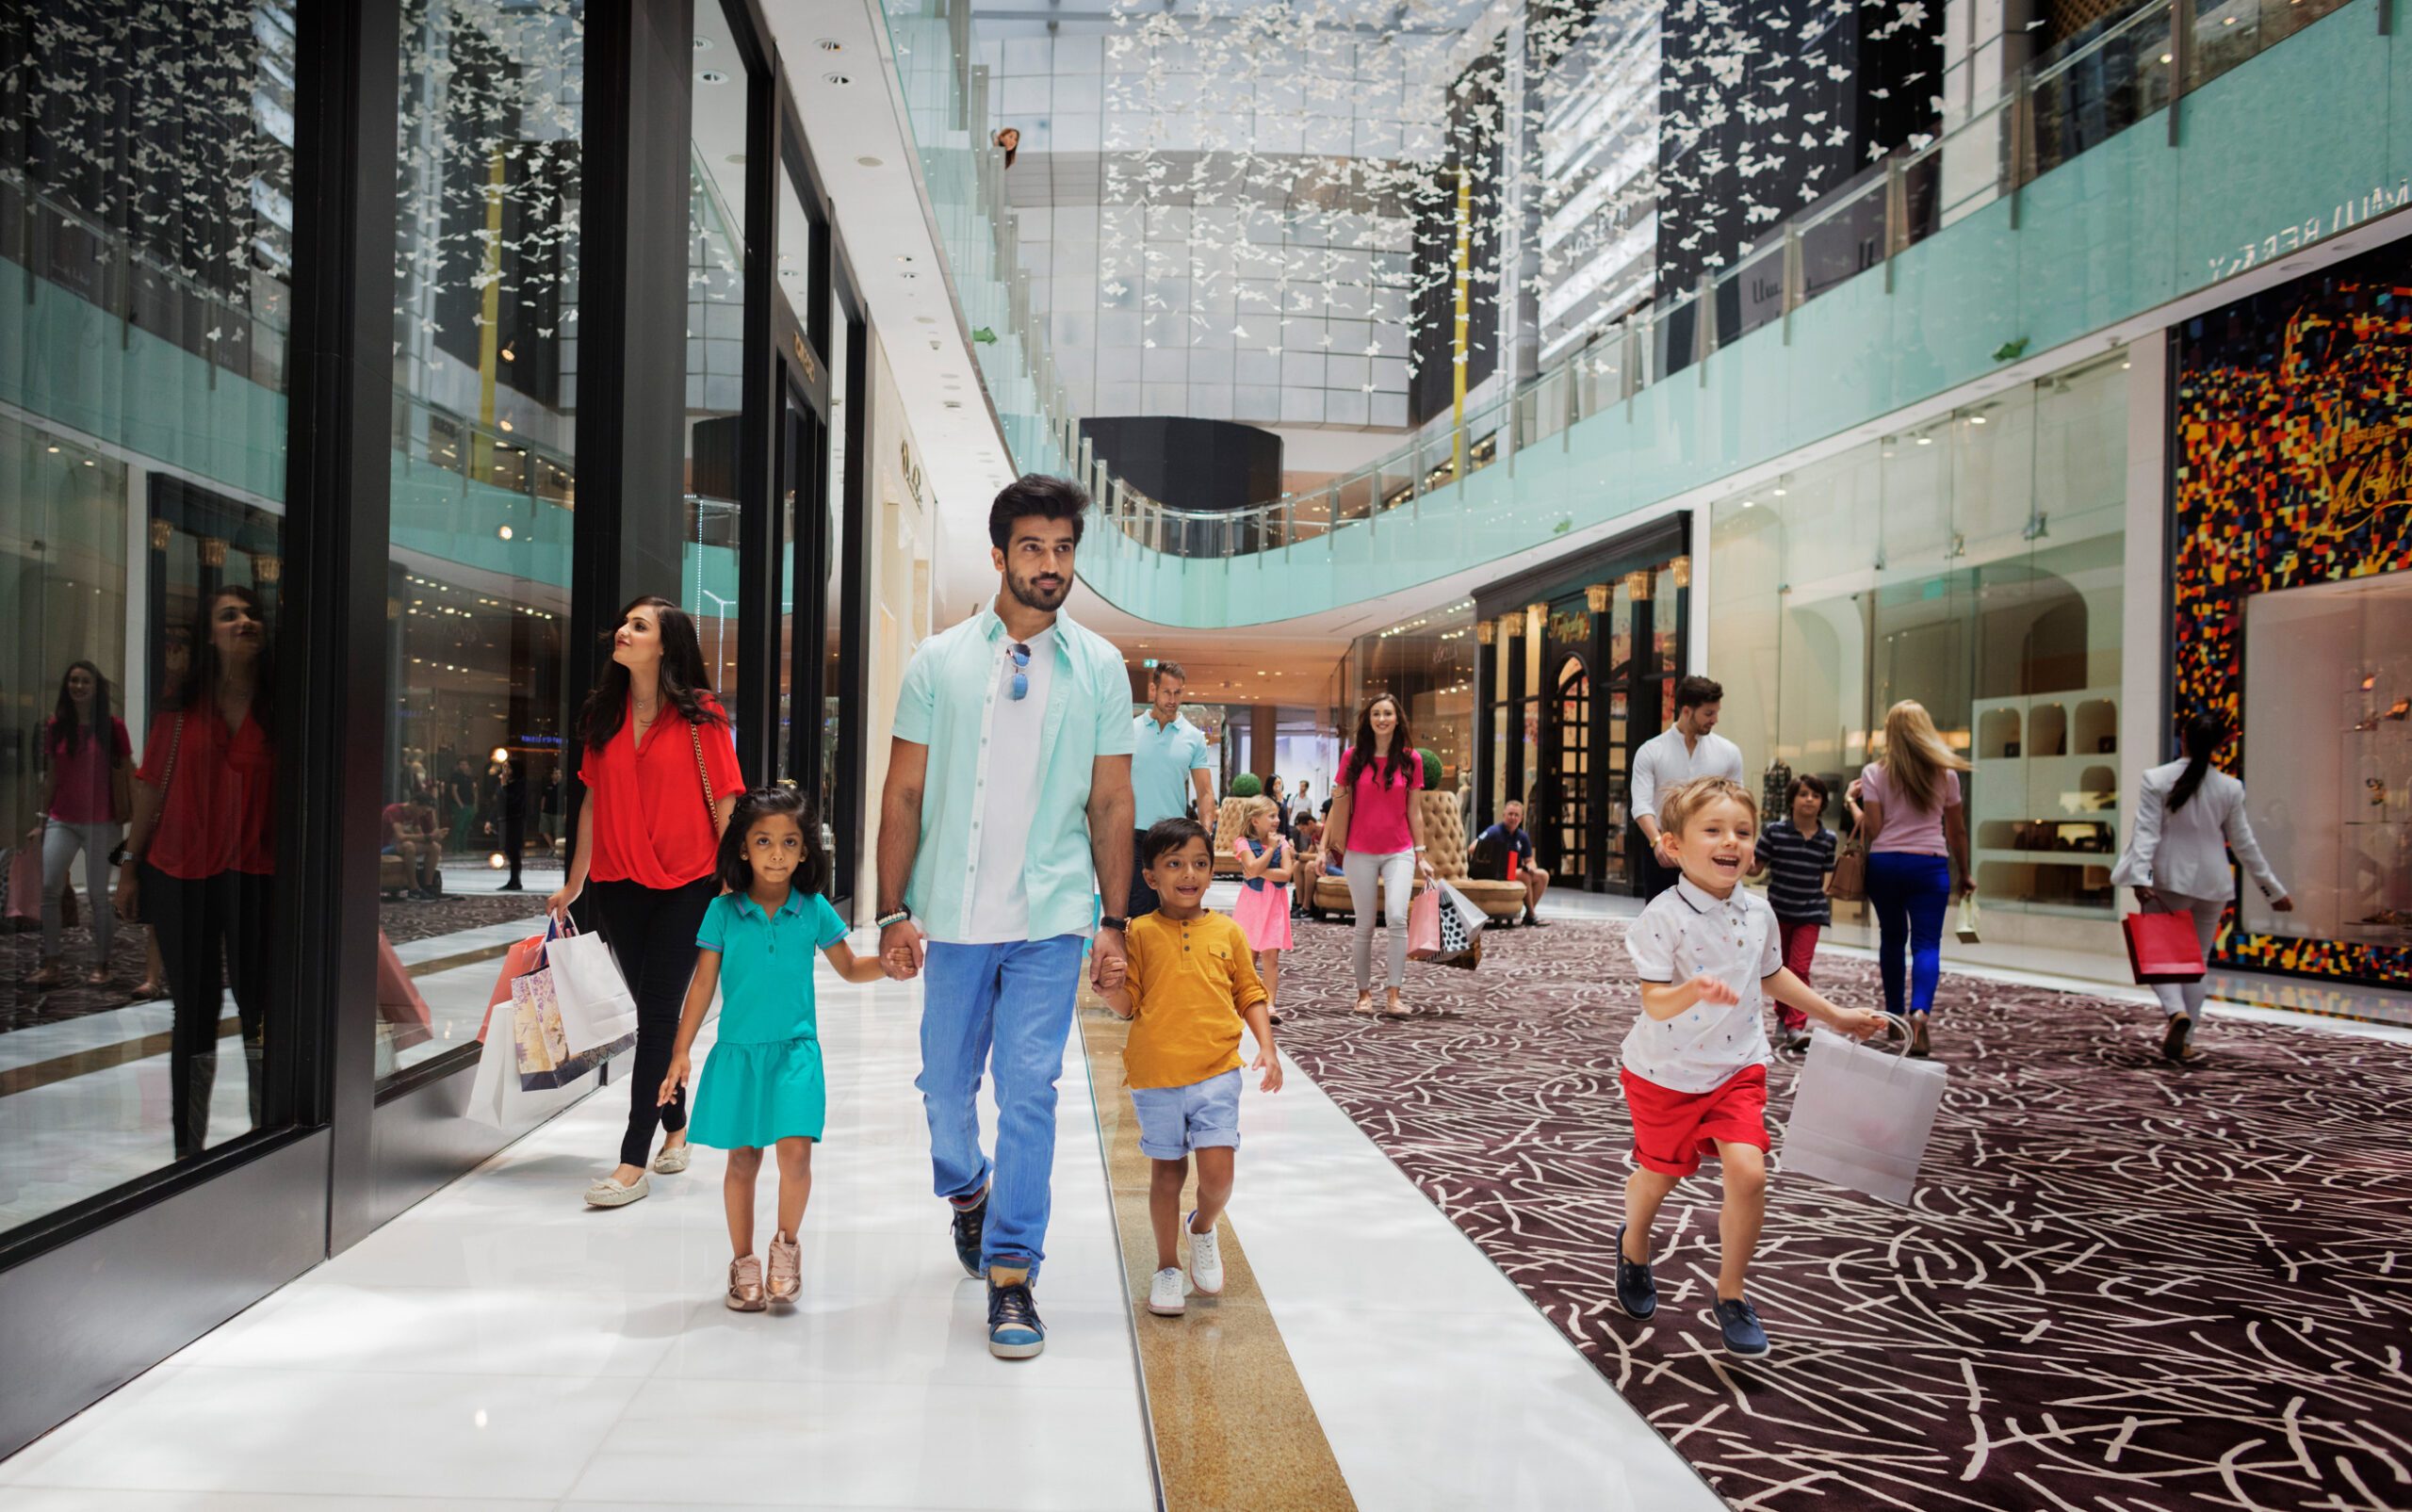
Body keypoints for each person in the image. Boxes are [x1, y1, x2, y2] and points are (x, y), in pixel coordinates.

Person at [875, 474, 1135, 1361]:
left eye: (1064, 549)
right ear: (999, 556)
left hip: (1052, 917)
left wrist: (1114, 920)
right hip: (953, 916)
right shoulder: (939, 661)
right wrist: (892, 908)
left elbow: (1111, 803)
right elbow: (903, 791)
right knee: (945, 1093)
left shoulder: (1101, 667)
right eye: (1033, 548)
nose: (1051, 565)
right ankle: (970, 1191)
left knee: (1031, 1091)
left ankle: (1014, 1273)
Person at [1615, 776, 1884, 1358]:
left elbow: (1772, 975)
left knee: (1750, 1172)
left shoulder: (1758, 912)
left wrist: (1835, 1016)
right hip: (1666, 1072)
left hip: (1737, 1066)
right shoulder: (1663, 916)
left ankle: (1731, 1294)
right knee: (1660, 1176)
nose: (1730, 842)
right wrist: (1694, 991)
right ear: (1674, 845)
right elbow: (1654, 1001)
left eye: (1742, 831)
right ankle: (1634, 1244)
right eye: (1712, 830)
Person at [547, 594, 744, 1209]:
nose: (623, 630)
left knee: (658, 1014)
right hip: (618, 883)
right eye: (623, 621)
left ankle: (633, 1159)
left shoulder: (701, 716)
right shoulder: (602, 716)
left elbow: (726, 803)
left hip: (688, 883)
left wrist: (733, 879)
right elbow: (591, 802)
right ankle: (676, 1122)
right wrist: (575, 882)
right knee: (650, 1014)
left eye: (640, 625)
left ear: (667, 644)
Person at [658, 786, 888, 1311]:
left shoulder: (812, 910)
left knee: (796, 1154)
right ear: (744, 848)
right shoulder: (721, 912)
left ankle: (786, 1247)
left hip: (795, 1052)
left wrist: (890, 965)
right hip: (739, 1052)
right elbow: (702, 986)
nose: (777, 853)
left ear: (806, 851)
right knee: (743, 1159)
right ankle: (743, 1263)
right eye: (764, 841)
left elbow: (850, 967)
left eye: (789, 842)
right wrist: (681, 1050)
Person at [114, 588, 279, 1159]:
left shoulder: (279, 709)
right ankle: (189, 1150)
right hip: (178, 871)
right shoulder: (182, 708)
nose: (243, 622)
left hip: (254, 874)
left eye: (251, 614)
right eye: (228, 615)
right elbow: (150, 789)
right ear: (210, 633)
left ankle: (267, 1135)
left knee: (259, 1004)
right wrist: (129, 868)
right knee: (196, 1008)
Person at [1097, 817, 1280, 1319]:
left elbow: (1249, 992)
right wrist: (1110, 990)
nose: (1188, 874)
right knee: (1167, 1173)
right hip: (1156, 1075)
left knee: (1218, 1174)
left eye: (1199, 863)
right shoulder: (1137, 934)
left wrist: (1267, 1046)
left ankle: (1201, 1227)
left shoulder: (1228, 931)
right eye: (1174, 864)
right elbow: (1129, 1003)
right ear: (1150, 876)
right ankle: (1166, 1266)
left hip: (1216, 1068)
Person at [2110, 712, 2291, 1065]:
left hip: (2167, 882)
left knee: (2160, 958)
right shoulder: (2229, 787)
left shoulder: (2156, 779)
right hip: (2213, 884)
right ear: (2220, 745)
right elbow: (2244, 844)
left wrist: (2140, 878)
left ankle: (2177, 1013)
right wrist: (2273, 889)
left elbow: (2147, 834)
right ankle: (2187, 1040)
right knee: (2197, 963)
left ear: (2184, 737)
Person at [1847, 699, 1971, 1060]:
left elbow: (1873, 829)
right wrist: (1965, 872)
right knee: (1927, 944)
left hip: (1886, 864)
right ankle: (1920, 1014)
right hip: (1929, 865)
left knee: (1892, 939)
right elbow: (1958, 831)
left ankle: (1895, 1016)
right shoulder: (1946, 774)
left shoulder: (1874, 772)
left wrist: (1850, 803)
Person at [1323, 691, 1434, 1019]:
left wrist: (1421, 853)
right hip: (1359, 851)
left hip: (1399, 851)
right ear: (1368, 721)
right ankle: (1363, 993)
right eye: (1376, 714)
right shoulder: (1353, 757)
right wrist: (1322, 847)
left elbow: (1415, 812)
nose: (1382, 719)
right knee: (1365, 924)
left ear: (1397, 718)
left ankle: (1394, 994)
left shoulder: (1411, 760)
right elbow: (1337, 806)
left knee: (1398, 918)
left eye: (1387, 713)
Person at [27, 661, 131, 987]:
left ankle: (102, 964)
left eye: (85, 681)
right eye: (73, 680)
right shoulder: (56, 727)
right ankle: (51, 962)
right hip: (63, 819)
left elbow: (128, 771)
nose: (78, 686)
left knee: (100, 895)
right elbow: (52, 777)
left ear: (95, 687)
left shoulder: (113, 728)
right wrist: (41, 820)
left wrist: (136, 814)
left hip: (103, 822)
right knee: (48, 889)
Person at [1630, 675, 1745, 899]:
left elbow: (1737, 803)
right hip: (1665, 846)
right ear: (1686, 711)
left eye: (1717, 712)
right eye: (1709, 713)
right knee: (1660, 917)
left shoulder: (1729, 752)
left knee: (1712, 916)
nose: (1715, 719)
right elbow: (1641, 804)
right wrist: (1657, 842)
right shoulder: (1651, 751)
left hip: (1711, 847)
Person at [1752, 773, 1838, 1052]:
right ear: (1792, 800)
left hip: (1810, 912)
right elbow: (1755, 867)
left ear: (1822, 802)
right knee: (1780, 968)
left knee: (1799, 968)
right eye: (1803, 794)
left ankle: (1796, 1025)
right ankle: (1783, 1015)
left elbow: (1826, 875)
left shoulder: (1828, 839)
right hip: (1777, 912)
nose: (1809, 799)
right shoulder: (1774, 832)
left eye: (1815, 795)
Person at [1130, 661, 1214, 916]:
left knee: (1171, 909)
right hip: (1131, 834)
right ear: (1153, 689)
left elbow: (1205, 792)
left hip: (1171, 836)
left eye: (1178, 693)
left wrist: (1205, 836)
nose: (1172, 699)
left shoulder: (1193, 737)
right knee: (1134, 908)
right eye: (1167, 692)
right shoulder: (1130, 730)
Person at [1230, 797, 1296, 1021]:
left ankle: (1269, 1004)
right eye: (1271, 816)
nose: (1277, 820)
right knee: (1248, 957)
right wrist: (1270, 852)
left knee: (1271, 957)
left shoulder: (1283, 843)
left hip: (1275, 906)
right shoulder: (1243, 843)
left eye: (1277, 815)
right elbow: (1252, 865)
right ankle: (1243, 998)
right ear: (1255, 820)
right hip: (1252, 906)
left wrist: (1258, 871)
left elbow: (1286, 874)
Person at [1471, 797, 1552, 926]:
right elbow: (1472, 848)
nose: (1513, 817)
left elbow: (1530, 860)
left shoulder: (1522, 836)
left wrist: (1531, 867)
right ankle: (1531, 915)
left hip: (1514, 871)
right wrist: (1491, 853)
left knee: (1543, 875)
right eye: (1510, 814)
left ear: (1521, 818)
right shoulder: (1493, 831)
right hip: (1496, 873)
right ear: (1504, 815)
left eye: (1516, 815)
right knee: (1524, 875)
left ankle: (1528, 915)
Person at [379, 791, 442, 899]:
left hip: (398, 846)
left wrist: (434, 837)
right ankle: (413, 888)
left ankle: (427, 886)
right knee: (409, 846)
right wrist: (428, 837)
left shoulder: (414, 815)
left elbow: (420, 836)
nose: (423, 813)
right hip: (384, 846)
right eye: (423, 810)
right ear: (414, 803)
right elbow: (400, 837)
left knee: (434, 847)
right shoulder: (394, 811)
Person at [495, 756, 528, 891]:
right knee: (508, 850)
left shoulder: (519, 784)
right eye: (504, 767)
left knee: (514, 851)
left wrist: (504, 786)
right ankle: (513, 880)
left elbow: (512, 802)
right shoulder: (505, 784)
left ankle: (515, 880)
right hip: (504, 820)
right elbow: (498, 802)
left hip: (515, 820)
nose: (504, 770)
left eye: (508, 767)